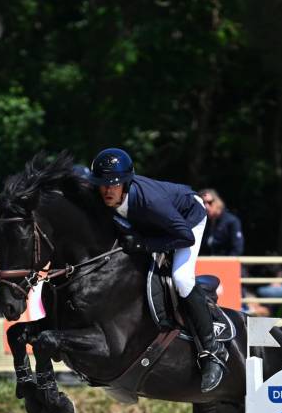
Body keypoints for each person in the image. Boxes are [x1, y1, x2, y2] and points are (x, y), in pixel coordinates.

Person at [89, 146, 224, 391]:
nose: (107, 190)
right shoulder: (101, 194)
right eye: (103, 184)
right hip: (153, 223)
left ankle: (212, 351)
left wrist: (144, 244)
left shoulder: (150, 201)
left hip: (187, 220)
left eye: (114, 184)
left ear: (126, 184)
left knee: (181, 278)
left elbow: (185, 237)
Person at [199, 188, 244, 256]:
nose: (206, 206)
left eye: (209, 202)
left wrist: (224, 264)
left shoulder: (231, 221)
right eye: (203, 203)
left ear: (217, 201)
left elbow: (237, 249)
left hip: (226, 264)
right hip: (207, 264)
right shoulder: (204, 222)